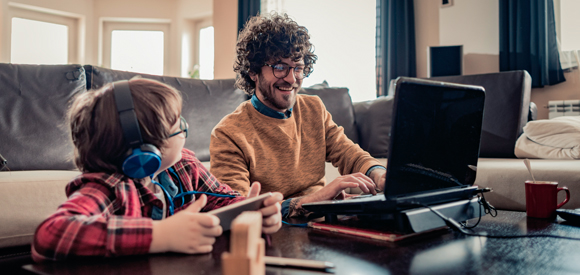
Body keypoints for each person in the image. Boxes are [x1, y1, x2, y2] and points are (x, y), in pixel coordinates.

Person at [32, 78, 283, 262]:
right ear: (146, 150)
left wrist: (253, 211)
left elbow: (221, 201)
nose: (185, 129)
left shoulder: (184, 165)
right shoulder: (109, 186)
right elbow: (51, 234)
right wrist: (161, 234)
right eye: (178, 125)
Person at [209, 13, 386, 219]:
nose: (292, 79)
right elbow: (236, 210)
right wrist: (311, 202)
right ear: (253, 72)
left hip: (322, 223)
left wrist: (379, 174)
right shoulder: (228, 133)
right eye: (280, 67)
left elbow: (349, 153)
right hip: (274, 231)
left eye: (298, 68)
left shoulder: (313, 108)